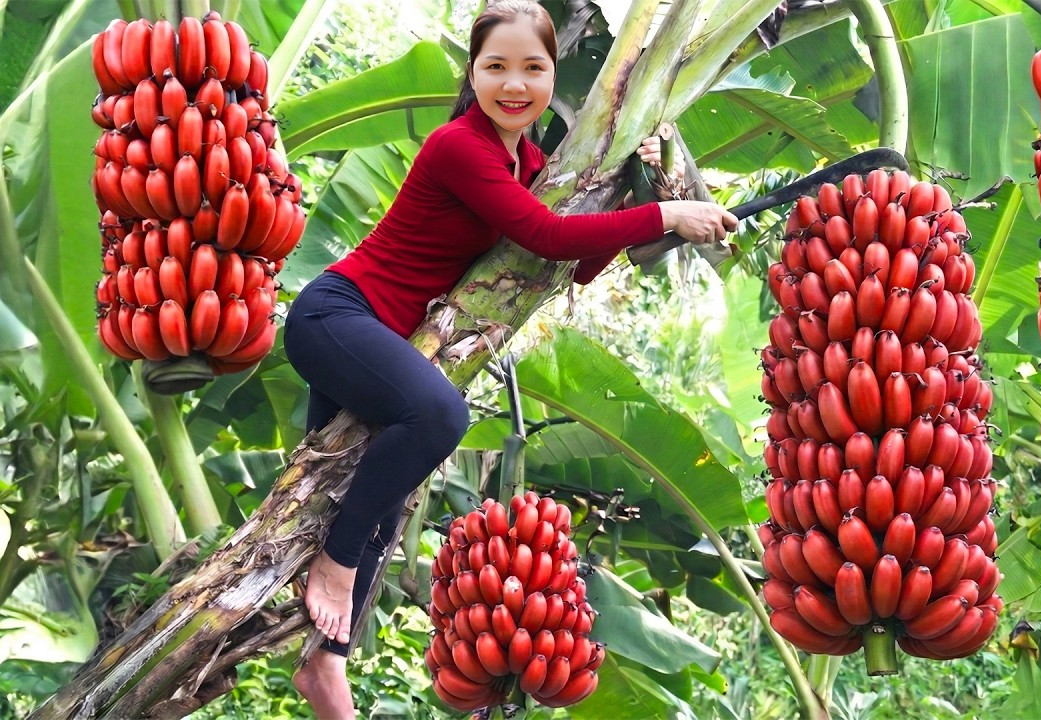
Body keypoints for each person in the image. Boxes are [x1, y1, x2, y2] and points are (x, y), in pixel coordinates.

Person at [283, 1, 738, 716]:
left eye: (533, 67)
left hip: (382, 341)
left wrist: (635, 186)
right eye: (497, 66)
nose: (515, 83)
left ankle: (324, 665)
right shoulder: (459, 146)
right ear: (473, 72)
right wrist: (668, 217)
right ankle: (336, 574)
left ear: (553, 73)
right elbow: (546, 232)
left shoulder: (524, 160)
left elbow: (568, 263)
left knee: (368, 491)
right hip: (338, 316)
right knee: (438, 416)